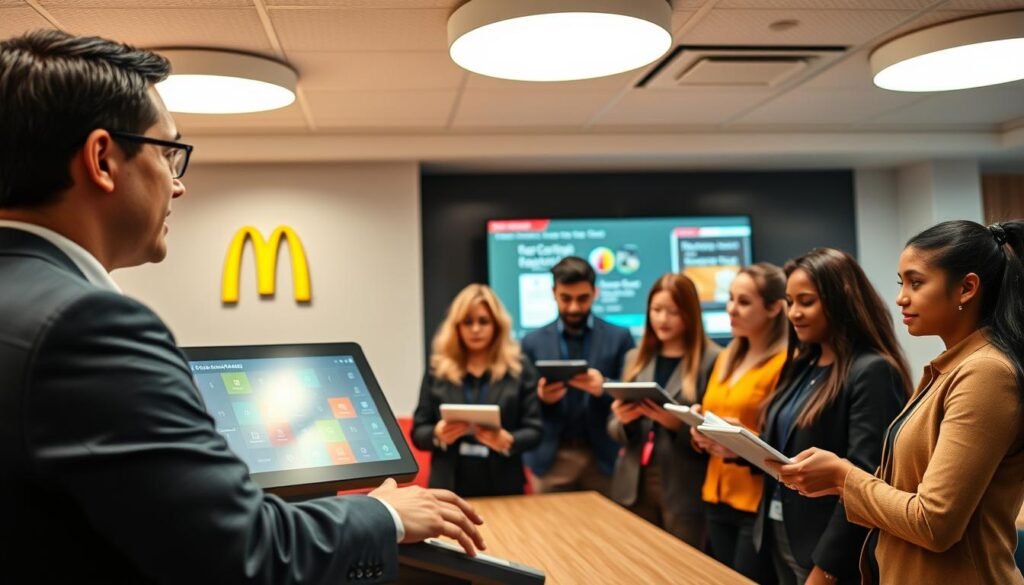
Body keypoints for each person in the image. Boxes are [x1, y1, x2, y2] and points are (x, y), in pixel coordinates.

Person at [0, 30, 483, 585]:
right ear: (103, 159)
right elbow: (237, 552)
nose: (177, 187)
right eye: (168, 153)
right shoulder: (87, 326)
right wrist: (385, 514)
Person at [774, 221, 1024, 585]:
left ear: (967, 288)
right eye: (900, 283)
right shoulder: (953, 366)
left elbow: (934, 523)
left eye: (916, 282)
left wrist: (845, 477)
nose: (901, 298)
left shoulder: (986, 373)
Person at [749, 248, 911, 585]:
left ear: (841, 300)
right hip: (779, 535)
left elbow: (865, 477)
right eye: (790, 302)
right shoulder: (801, 365)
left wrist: (827, 568)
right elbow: (785, 448)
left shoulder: (871, 371)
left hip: (827, 553)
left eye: (805, 302)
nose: (793, 313)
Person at [689, 263, 787, 582]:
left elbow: (785, 439)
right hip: (716, 493)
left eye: (744, 302)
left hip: (755, 500)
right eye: (730, 299)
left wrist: (740, 439)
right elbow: (711, 413)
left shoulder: (785, 363)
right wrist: (699, 432)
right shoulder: (726, 356)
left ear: (774, 308)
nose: (731, 309)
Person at [607, 273, 720, 546]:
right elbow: (613, 429)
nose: (662, 319)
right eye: (656, 310)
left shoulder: (713, 360)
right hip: (633, 481)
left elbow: (714, 435)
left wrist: (675, 423)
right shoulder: (635, 357)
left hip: (683, 483)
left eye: (672, 311)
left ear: (690, 313)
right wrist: (624, 421)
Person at [411, 284, 543, 497]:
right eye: (468, 322)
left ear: (497, 326)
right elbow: (418, 432)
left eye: (483, 321)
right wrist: (438, 433)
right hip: (448, 485)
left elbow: (535, 430)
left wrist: (508, 440)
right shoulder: (438, 369)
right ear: (457, 327)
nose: (475, 329)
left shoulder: (519, 367)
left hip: (504, 484)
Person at [521, 256, 635, 495]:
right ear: (554, 292)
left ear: (595, 292)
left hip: (602, 457)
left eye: (582, 298)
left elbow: (633, 394)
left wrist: (604, 386)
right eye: (566, 298)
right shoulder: (531, 342)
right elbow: (520, 403)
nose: (574, 307)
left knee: (606, 531)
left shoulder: (620, 337)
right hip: (551, 459)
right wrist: (541, 397)